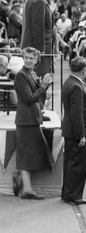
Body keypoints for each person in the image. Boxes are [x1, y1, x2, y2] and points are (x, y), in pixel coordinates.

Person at [13, 47, 53, 199]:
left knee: (33, 153)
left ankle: (24, 184)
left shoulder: (30, 73)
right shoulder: (21, 76)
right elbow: (29, 98)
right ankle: (26, 188)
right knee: (26, 154)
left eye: (32, 58)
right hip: (26, 120)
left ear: (37, 60)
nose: (29, 60)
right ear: (23, 57)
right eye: (27, 57)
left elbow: (37, 94)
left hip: (32, 118)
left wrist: (44, 84)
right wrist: (43, 85)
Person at [60, 57, 86, 205]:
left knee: (70, 162)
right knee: (78, 165)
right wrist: (81, 135)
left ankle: (68, 193)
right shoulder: (76, 86)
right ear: (84, 70)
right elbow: (77, 113)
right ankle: (74, 194)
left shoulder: (70, 82)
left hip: (70, 130)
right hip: (78, 132)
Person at [20, 0, 54, 76]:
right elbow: (38, 27)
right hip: (38, 48)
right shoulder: (39, 0)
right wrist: (40, 49)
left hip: (32, 45)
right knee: (41, 79)